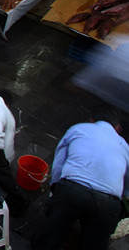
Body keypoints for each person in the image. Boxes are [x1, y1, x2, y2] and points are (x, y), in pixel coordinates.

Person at [32, 105, 129, 250]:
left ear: (92, 120)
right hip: (108, 202)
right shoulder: (125, 146)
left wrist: (55, 190)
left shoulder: (78, 129)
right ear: (117, 128)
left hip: (72, 191)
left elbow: (59, 164)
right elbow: (126, 185)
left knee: (49, 238)